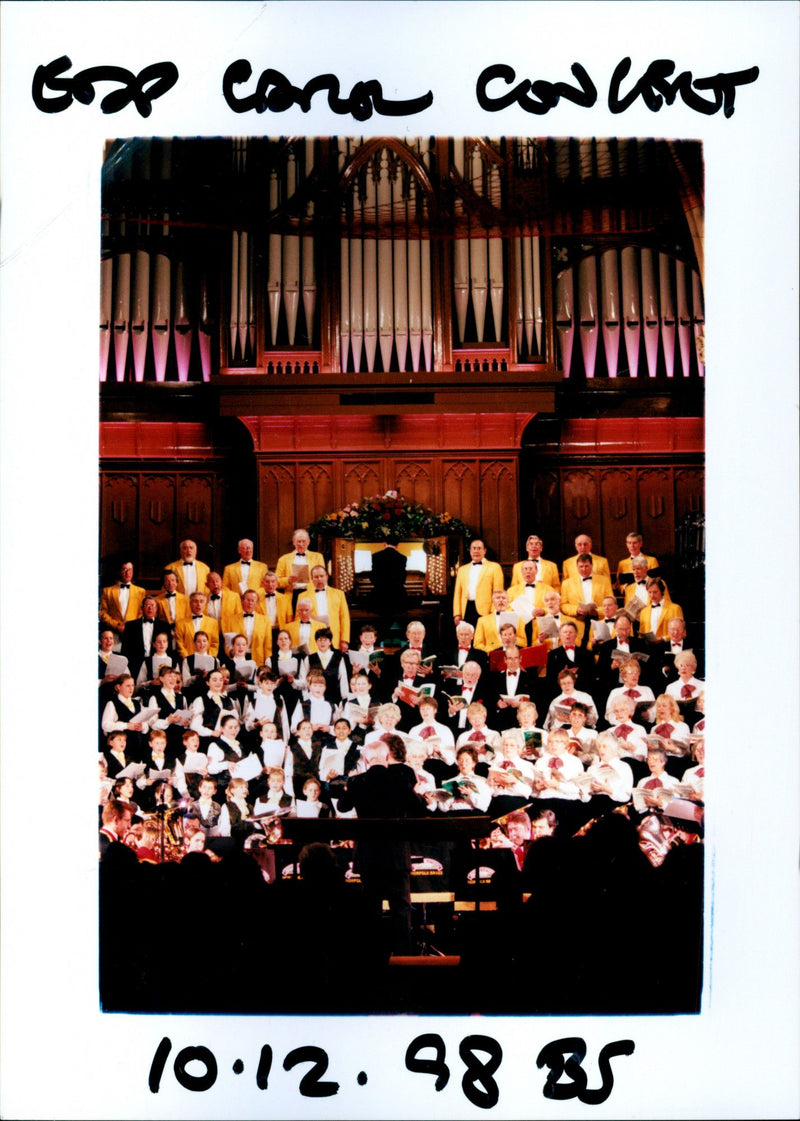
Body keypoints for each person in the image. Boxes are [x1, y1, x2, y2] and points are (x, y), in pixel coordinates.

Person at [336, 735, 428, 954]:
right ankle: (403, 954)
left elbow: (341, 806)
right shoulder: (399, 780)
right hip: (396, 853)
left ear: (367, 761)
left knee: (371, 907)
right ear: (387, 757)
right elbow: (418, 809)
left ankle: (373, 955)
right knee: (401, 908)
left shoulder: (357, 781)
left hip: (368, 854)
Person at [560, 554, 615, 642]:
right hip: (576, 622)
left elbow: (611, 603)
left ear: (592, 565)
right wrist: (576, 610)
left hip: (598, 621)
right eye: (581, 566)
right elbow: (563, 605)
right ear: (576, 567)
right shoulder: (566, 583)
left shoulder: (604, 581)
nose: (584, 569)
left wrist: (597, 611)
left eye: (586, 566)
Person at [452, 538, 504, 627]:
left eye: (479, 548)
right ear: (470, 551)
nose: (476, 551)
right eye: (474, 548)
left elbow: (498, 592)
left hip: (486, 611)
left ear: (484, 551)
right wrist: (457, 613)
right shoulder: (462, 570)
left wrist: (493, 611)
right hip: (466, 609)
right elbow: (458, 593)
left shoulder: (495, 567)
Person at [121, 595, 173, 678]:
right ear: (141, 608)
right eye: (147, 605)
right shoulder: (130, 625)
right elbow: (125, 649)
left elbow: (169, 648)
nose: (150, 608)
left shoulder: (165, 626)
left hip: (157, 664)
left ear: (156, 609)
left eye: (153, 606)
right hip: (135, 664)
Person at [368, 536, 408, 631]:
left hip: (379, 597)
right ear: (397, 545)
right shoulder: (402, 558)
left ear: (384, 543)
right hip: (397, 598)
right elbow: (402, 578)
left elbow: (373, 577)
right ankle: (400, 632)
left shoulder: (376, 556)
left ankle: (379, 632)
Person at [99, 561, 147, 639]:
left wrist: (131, 626)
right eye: (124, 569)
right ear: (120, 571)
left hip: (133, 632)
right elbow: (102, 612)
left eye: (130, 570)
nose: (127, 572)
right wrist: (116, 625)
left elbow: (141, 612)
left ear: (133, 572)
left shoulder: (141, 591)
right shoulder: (107, 591)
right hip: (113, 633)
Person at [274, 528, 325, 601]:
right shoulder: (283, 559)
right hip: (291, 595)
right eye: (298, 541)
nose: (301, 544)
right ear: (293, 542)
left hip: (311, 593)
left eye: (303, 541)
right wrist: (288, 580)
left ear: (308, 542)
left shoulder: (317, 557)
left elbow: (323, 578)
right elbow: (276, 581)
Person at [175, 592, 220, 657]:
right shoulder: (180, 623)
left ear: (205, 604)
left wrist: (208, 658)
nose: (198, 604)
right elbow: (180, 644)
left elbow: (215, 644)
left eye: (201, 601)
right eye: (195, 601)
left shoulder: (213, 623)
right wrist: (188, 659)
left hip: (207, 661)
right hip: (187, 660)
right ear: (190, 604)